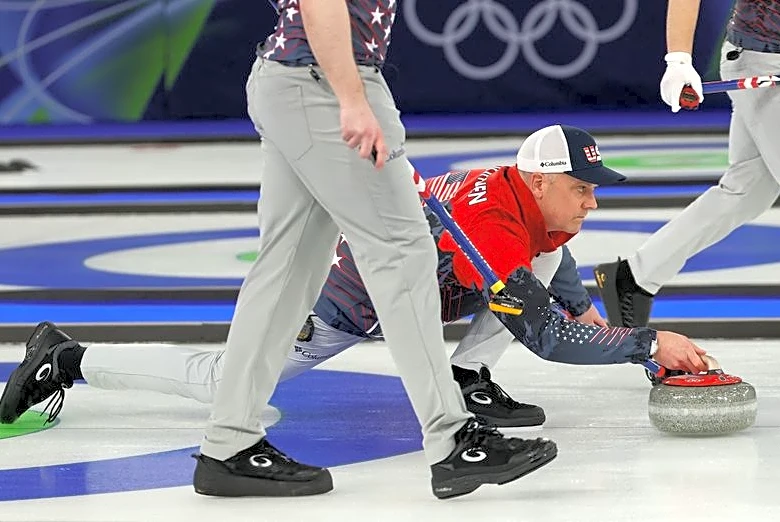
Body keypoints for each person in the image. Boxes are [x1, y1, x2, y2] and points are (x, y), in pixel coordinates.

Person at [1, 0, 561, 501]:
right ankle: (452, 439)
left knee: (289, 270)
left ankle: (228, 445)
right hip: (321, 81)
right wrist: (351, 96)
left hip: (298, 78)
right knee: (402, 253)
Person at [1, 126, 709, 483]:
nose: (595, 199)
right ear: (541, 180)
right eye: (583, 187)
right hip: (347, 299)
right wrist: (647, 344)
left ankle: (467, 379)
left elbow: (563, 288)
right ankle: (68, 357)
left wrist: (620, 339)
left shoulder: (531, 210)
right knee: (227, 384)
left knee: (540, 266)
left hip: (414, 285)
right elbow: (548, 337)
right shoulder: (494, 219)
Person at [594, 0, 780, 332]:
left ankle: (636, 276)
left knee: (748, 190)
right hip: (765, 63)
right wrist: (678, 59)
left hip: (762, 57)